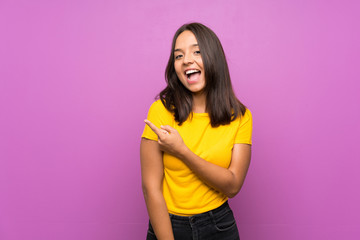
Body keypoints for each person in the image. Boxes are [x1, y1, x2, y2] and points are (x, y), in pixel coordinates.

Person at [140, 22, 252, 240]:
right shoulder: (160, 111)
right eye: (178, 56)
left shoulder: (240, 116)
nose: (187, 60)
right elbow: (150, 187)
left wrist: (182, 151)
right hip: (168, 225)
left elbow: (233, 185)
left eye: (197, 51)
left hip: (219, 226)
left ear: (213, 58)